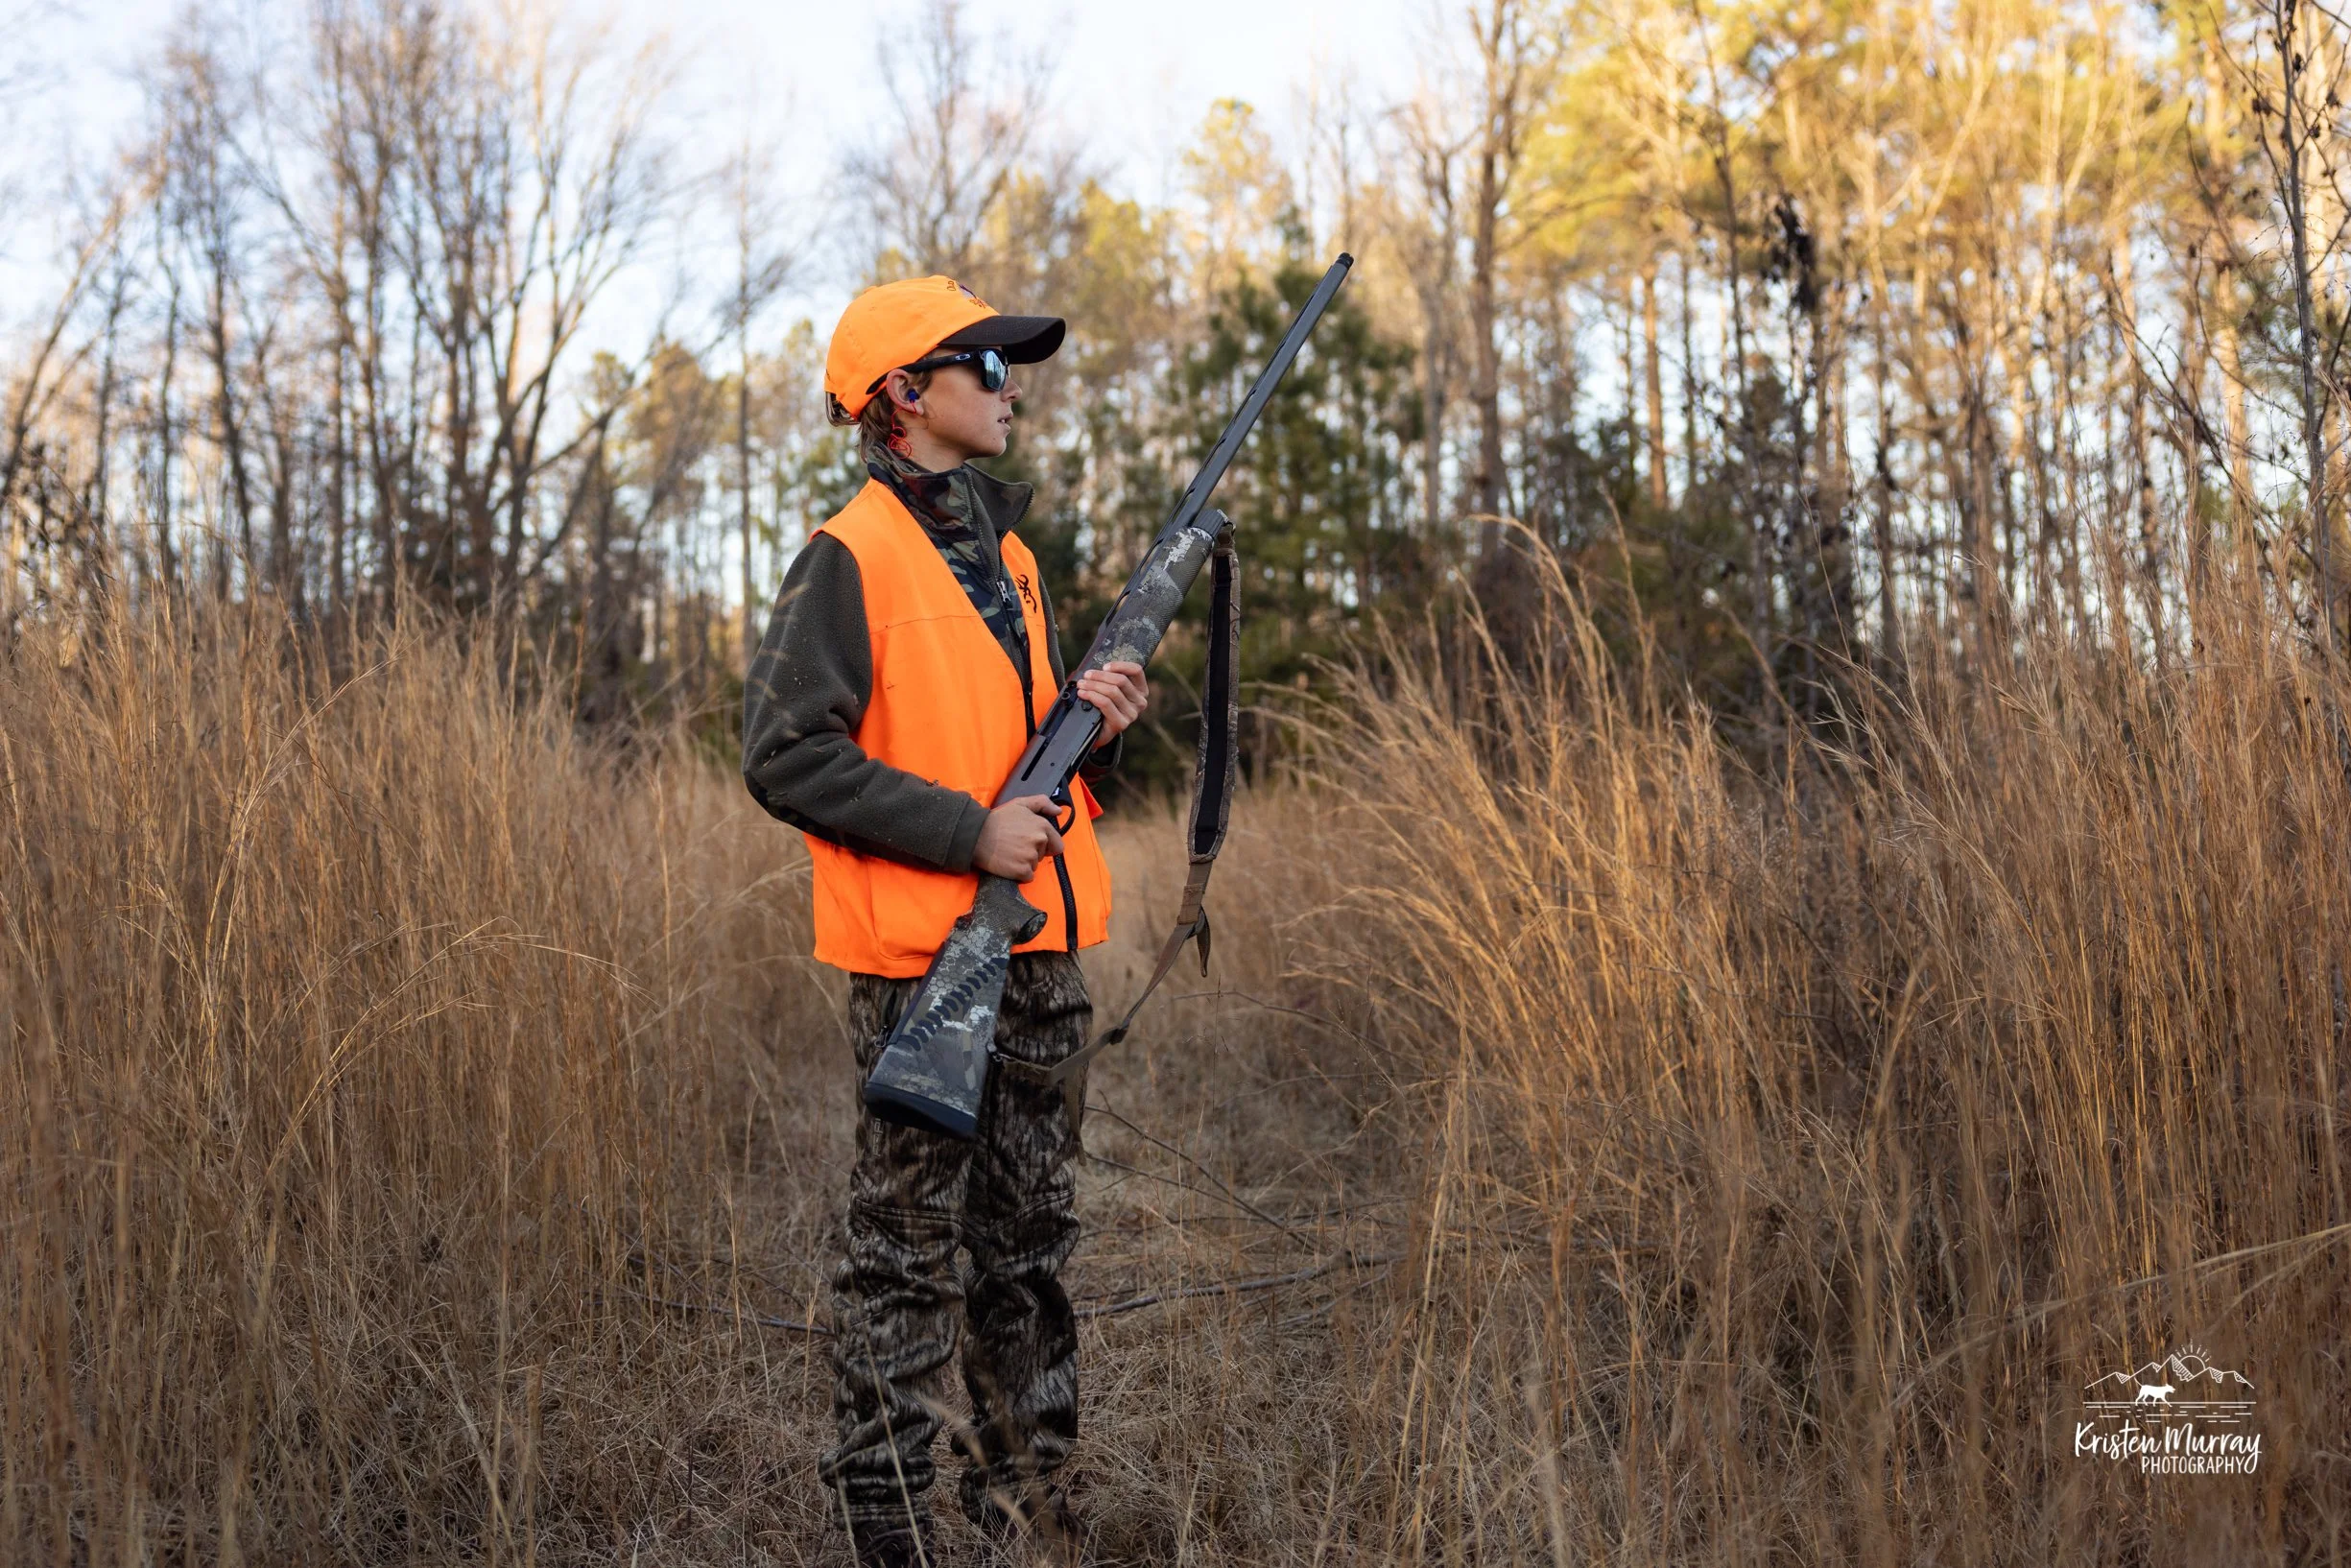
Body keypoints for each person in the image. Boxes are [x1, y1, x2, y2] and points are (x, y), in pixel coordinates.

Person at [742, 273, 1146, 1568]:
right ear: (906, 393)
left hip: (1038, 953)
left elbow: (1020, 764)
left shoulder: (1010, 558)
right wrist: (964, 835)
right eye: (983, 364)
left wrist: (1093, 728)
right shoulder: (847, 555)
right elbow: (786, 754)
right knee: (905, 1259)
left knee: (1026, 1246)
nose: (1008, 384)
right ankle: (891, 1534)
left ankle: (1029, 1508)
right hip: (928, 967)